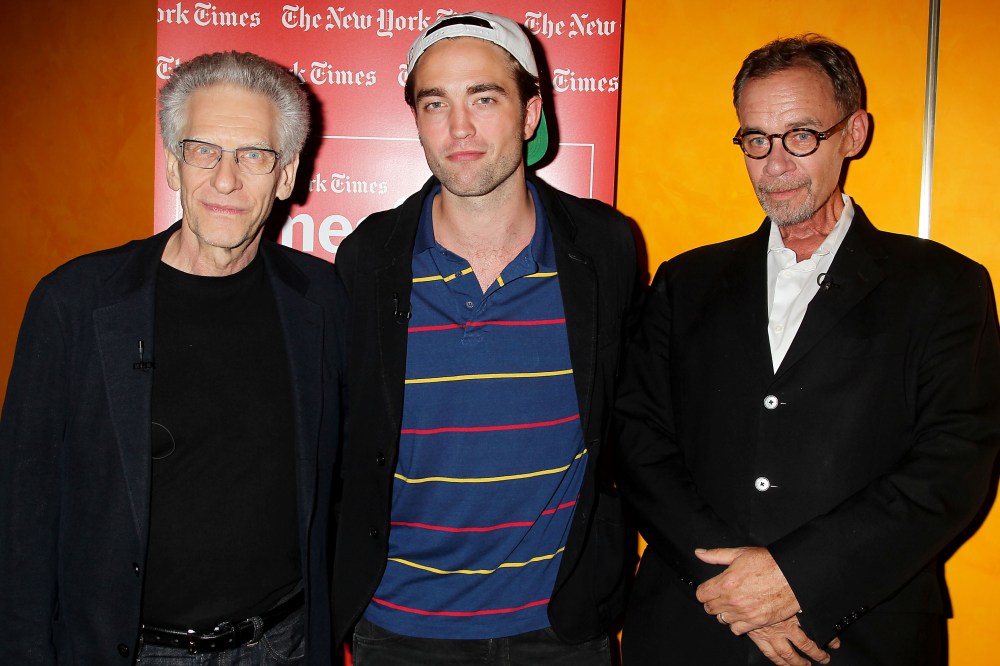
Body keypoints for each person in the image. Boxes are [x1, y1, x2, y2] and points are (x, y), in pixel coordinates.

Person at [615, 34, 1000, 666]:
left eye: (800, 135)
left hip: (863, 634)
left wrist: (797, 578)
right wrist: (730, 588)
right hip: (692, 626)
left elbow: (954, 463)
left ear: (853, 134)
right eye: (756, 139)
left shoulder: (943, 285)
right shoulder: (685, 282)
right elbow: (637, 440)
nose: (774, 164)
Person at [0, 51, 348, 665]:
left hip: (283, 644)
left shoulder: (322, 299)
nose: (225, 179)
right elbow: (20, 517)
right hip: (132, 652)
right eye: (203, 150)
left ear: (286, 174)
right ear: (172, 162)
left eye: (254, 155)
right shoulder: (74, 304)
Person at [331, 11, 638, 665]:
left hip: (561, 625)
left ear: (531, 114)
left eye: (485, 98)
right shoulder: (368, 258)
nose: (459, 127)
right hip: (400, 628)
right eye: (435, 103)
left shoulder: (604, 247)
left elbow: (632, 419)